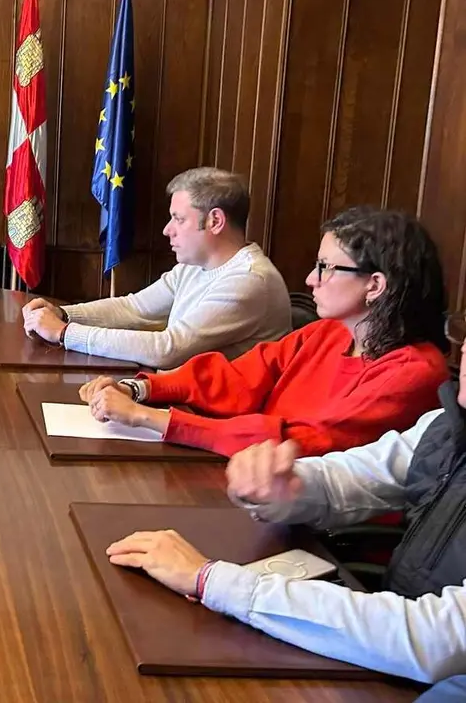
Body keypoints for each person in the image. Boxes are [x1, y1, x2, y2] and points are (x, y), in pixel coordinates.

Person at [104, 314, 466, 683]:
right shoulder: (446, 424)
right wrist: (283, 484)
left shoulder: (416, 370)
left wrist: (213, 581)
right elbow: (354, 475)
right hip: (381, 635)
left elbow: (438, 641)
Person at [80, 207, 449, 458]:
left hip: (315, 530)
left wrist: (149, 418)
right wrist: (140, 389)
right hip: (253, 483)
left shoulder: (413, 372)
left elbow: (298, 443)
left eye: (325, 268)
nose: (310, 279)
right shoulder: (327, 333)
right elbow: (234, 378)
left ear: (375, 285)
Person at [23, 167, 290, 369]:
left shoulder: (249, 280)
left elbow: (168, 349)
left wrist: (64, 333)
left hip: (215, 419)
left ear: (215, 221)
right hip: (178, 401)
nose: (167, 230)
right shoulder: (194, 266)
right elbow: (134, 309)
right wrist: (63, 314)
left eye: (178, 219)